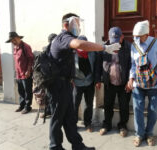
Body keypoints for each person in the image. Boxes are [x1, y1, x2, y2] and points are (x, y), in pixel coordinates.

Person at [48, 13, 121, 150]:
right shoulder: (64, 37)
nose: (79, 27)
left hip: (65, 84)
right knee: (57, 118)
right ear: (66, 24)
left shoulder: (66, 39)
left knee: (69, 118)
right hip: (58, 85)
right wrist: (104, 47)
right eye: (76, 24)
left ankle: (78, 146)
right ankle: (54, 147)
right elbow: (80, 44)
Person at [127, 20, 157, 147]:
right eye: (135, 36)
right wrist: (131, 78)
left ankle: (149, 133)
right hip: (138, 84)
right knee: (137, 108)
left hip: (154, 83)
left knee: (153, 110)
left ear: (146, 34)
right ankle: (139, 134)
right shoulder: (134, 45)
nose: (136, 39)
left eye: (139, 36)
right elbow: (133, 65)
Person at [95, 27, 131, 137]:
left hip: (124, 82)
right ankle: (107, 125)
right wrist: (97, 80)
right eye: (112, 41)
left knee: (124, 106)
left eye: (117, 40)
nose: (114, 44)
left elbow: (132, 65)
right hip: (109, 82)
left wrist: (130, 80)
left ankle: (123, 126)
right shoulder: (104, 47)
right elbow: (98, 65)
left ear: (122, 37)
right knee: (108, 105)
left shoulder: (129, 47)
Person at [5, 32, 34, 114]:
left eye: (14, 39)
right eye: (11, 41)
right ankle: (22, 105)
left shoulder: (26, 46)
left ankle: (28, 107)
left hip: (26, 73)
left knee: (27, 91)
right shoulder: (15, 47)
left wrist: (28, 70)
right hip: (18, 73)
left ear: (18, 38)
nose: (13, 41)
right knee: (20, 90)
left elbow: (30, 59)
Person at [74, 35, 96, 132]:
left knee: (89, 104)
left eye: (85, 45)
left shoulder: (92, 53)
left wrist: (97, 80)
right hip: (76, 82)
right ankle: (73, 124)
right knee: (75, 104)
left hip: (89, 82)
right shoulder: (72, 53)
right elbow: (69, 67)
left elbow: (95, 66)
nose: (83, 47)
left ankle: (88, 123)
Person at [39, 33, 57, 119]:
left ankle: (50, 112)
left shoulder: (47, 50)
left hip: (49, 77)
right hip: (51, 77)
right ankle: (50, 112)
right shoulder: (47, 50)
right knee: (50, 97)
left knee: (49, 96)